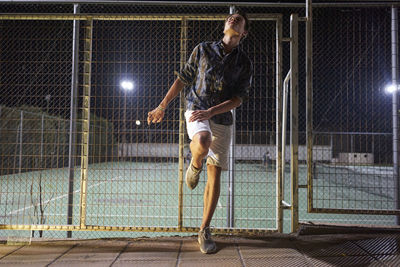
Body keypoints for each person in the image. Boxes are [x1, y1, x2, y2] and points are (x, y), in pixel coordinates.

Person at [147, 10, 252, 254]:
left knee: (215, 174)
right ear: (225, 25)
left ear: (243, 32)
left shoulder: (244, 62)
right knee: (202, 140)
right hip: (196, 110)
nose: (233, 19)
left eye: (239, 19)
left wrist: (213, 112)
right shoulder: (203, 49)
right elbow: (183, 79)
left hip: (222, 118)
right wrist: (162, 106)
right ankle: (194, 164)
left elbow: (239, 98)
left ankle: (204, 230)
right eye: (231, 17)